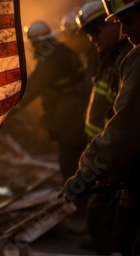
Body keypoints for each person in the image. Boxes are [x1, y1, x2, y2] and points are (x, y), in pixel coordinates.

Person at [62, 0, 140, 255]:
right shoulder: (109, 58)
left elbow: (124, 129)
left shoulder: (136, 59)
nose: (123, 29)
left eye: (128, 19)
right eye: (118, 21)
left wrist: (87, 172)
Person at [74, 0, 132, 254]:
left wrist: (101, 159)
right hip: (104, 152)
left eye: (95, 31)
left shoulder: (127, 59)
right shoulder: (107, 58)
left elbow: (123, 121)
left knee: (103, 216)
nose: (92, 39)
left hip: (116, 159)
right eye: (88, 34)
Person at [15, 20, 87, 181]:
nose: (33, 48)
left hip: (68, 119)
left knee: (70, 166)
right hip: (81, 115)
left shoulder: (48, 61)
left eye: (33, 44)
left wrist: (6, 113)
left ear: (39, 43)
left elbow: (30, 90)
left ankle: (79, 201)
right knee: (82, 162)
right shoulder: (65, 51)